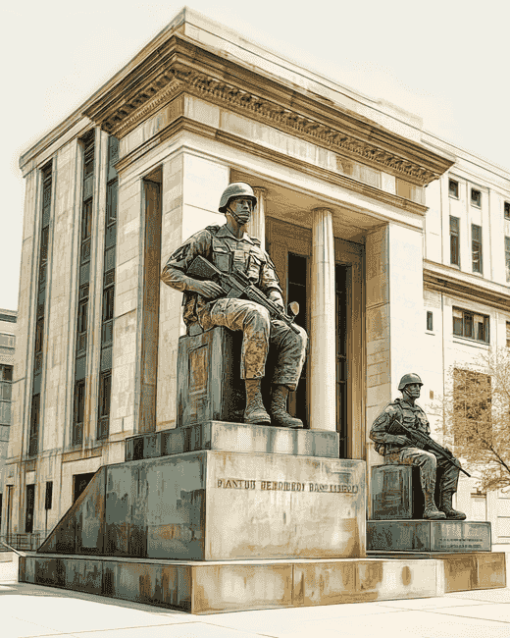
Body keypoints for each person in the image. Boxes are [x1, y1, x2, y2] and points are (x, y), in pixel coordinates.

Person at [161, 183, 307, 428]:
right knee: (256, 313)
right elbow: (169, 271)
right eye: (241, 202)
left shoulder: (257, 250)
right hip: (208, 310)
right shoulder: (207, 237)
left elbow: (271, 286)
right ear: (226, 206)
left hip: (248, 310)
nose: (247, 208)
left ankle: (277, 406)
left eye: (250, 204)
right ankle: (253, 402)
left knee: (297, 335)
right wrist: (198, 285)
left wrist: (277, 304)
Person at [370, 373, 466, 520]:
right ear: (404, 388)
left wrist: (441, 449)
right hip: (396, 453)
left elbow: (425, 438)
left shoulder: (420, 412)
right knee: (428, 458)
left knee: (453, 462)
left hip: (415, 450)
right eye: (413, 386)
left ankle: (446, 506)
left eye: (418, 386)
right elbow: (374, 433)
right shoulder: (393, 409)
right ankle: (429, 507)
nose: (417, 388)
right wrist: (395, 438)